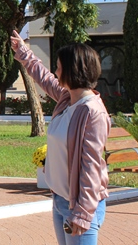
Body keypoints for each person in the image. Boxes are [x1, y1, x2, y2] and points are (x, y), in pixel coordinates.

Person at [10, 30, 110, 245]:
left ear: (72, 70)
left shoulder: (92, 112)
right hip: (60, 200)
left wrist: (83, 214)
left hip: (80, 206)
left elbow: (91, 167)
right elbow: (44, 78)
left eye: (58, 66)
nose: (55, 71)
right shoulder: (68, 99)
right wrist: (23, 51)